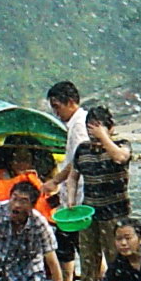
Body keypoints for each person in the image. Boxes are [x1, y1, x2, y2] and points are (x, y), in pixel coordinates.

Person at [52, 103, 131, 281]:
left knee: (117, 259)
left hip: (116, 216)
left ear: (110, 128)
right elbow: (73, 176)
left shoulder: (121, 145)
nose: (93, 139)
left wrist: (103, 137)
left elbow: (120, 158)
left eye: (97, 131)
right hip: (90, 214)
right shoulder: (83, 150)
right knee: (89, 261)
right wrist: (71, 198)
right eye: (90, 132)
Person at [45, 81, 87, 269]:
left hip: (79, 195)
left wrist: (55, 180)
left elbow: (78, 159)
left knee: (82, 244)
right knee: (67, 241)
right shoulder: (75, 123)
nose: (56, 113)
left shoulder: (79, 124)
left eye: (57, 107)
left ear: (70, 102)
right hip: (73, 194)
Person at [0, 147, 50, 213]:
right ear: (11, 162)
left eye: (26, 160)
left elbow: (43, 202)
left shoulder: (34, 178)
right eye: (18, 160)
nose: (22, 164)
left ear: (31, 163)